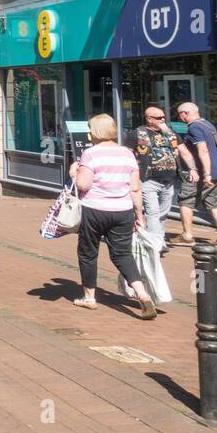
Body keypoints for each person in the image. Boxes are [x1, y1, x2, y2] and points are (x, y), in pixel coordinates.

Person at [69, 113, 156, 319]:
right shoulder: (127, 154)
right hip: (123, 210)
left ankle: (89, 297)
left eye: (91, 130)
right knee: (122, 254)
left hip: (95, 209)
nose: (89, 133)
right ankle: (142, 295)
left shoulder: (90, 154)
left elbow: (83, 185)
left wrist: (74, 172)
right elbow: (135, 188)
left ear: (96, 132)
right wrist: (139, 215)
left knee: (88, 252)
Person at [125, 105, 197, 256]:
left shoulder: (170, 133)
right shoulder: (137, 134)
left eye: (164, 117)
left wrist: (193, 169)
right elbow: (127, 155)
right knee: (153, 212)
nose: (163, 120)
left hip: (169, 180)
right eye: (159, 118)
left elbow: (184, 152)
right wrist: (131, 174)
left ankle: (158, 240)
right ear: (149, 119)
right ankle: (155, 245)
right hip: (148, 180)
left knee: (163, 214)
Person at [173, 102, 217, 249]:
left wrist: (206, 174)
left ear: (186, 114)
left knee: (186, 201)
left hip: (202, 174)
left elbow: (203, 150)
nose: (179, 117)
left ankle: (187, 236)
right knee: (214, 204)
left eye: (179, 114)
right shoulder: (207, 124)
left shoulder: (194, 127)